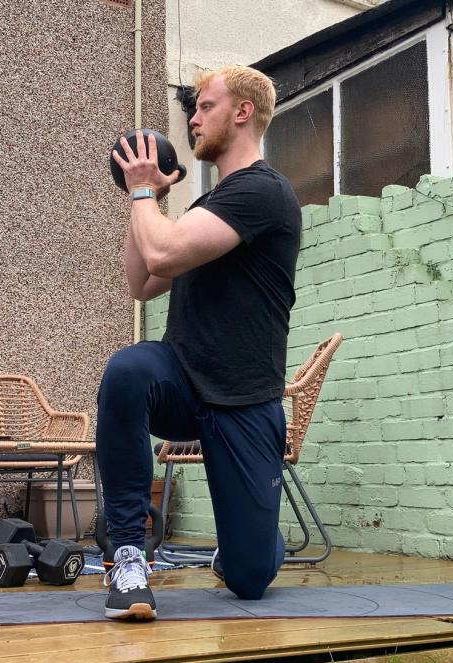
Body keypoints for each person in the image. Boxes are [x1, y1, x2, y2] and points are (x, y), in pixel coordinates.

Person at [97, 65, 301, 621]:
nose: (192, 117)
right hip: (181, 379)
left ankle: (249, 544)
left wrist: (143, 190)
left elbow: (162, 255)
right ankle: (129, 557)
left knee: (250, 578)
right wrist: (148, 201)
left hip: (245, 397)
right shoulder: (207, 207)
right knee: (127, 371)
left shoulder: (262, 192)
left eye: (205, 106)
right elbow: (143, 283)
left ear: (242, 112)